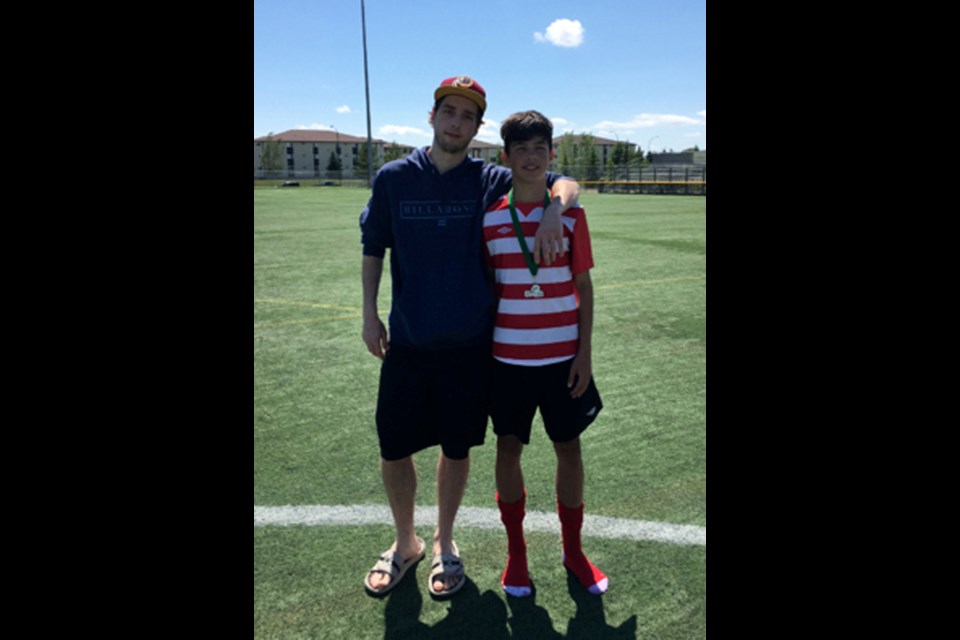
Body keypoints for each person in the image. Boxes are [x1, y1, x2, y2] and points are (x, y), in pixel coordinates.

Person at [359, 76, 580, 598]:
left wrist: (554, 208)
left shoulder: (488, 179)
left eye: (467, 117)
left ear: (476, 128)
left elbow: (563, 180)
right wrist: (369, 315)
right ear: (432, 116)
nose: (457, 123)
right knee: (394, 448)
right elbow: (373, 246)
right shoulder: (394, 177)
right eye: (449, 112)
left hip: (470, 345)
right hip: (408, 340)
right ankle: (404, 541)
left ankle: (445, 544)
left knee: (457, 448)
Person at [483, 110, 607, 597]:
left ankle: (573, 551)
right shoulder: (492, 219)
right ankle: (517, 555)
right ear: (506, 156)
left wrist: (585, 355)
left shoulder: (572, 214)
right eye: (521, 149)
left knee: (569, 449)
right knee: (508, 448)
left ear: (552, 155)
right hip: (507, 362)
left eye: (540, 148)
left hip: (562, 362)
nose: (531, 157)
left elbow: (584, 287)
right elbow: (491, 291)